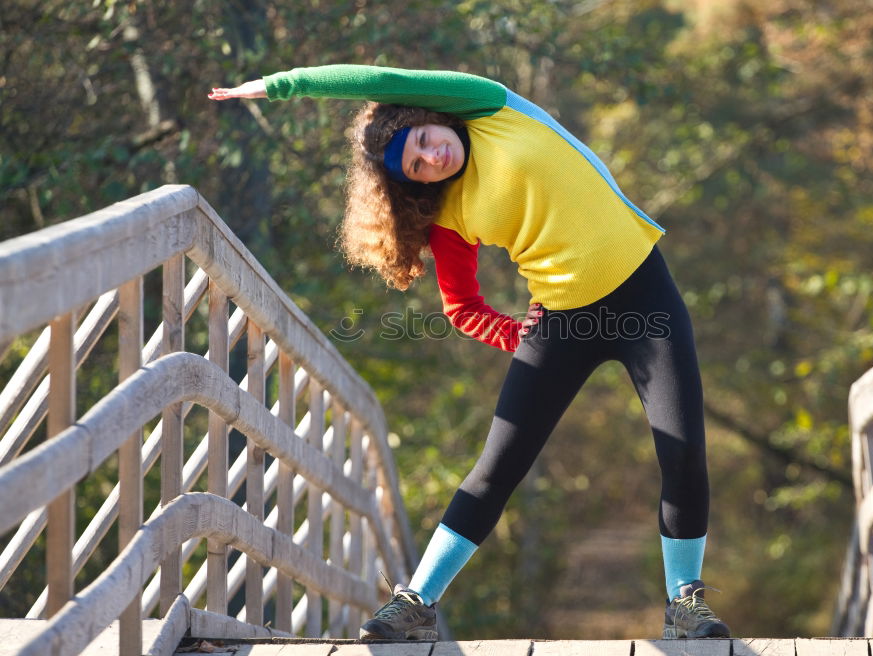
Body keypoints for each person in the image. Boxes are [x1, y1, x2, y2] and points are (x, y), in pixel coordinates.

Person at [209, 64, 730, 641]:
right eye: (417, 167)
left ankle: (685, 604)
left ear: (433, 117)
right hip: (561, 318)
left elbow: (375, 78)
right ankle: (416, 603)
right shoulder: (448, 215)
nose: (433, 158)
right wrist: (519, 337)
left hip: (645, 298)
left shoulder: (490, 108)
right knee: (496, 469)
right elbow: (462, 308)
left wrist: (280, 85)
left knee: (682, 451)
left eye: (426, 141)